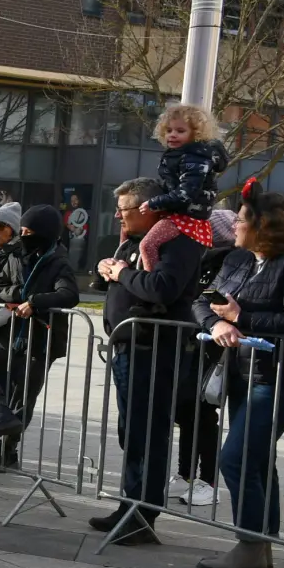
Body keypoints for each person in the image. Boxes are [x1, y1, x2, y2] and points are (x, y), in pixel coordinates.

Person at [89, 177, 204, 546]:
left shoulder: (176, 241)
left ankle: (142, 514)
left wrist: (121, 273)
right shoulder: (135, 242)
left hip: (156, 350)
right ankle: (130, 505)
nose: (118, 216)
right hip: (129, 347)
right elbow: (119, 283)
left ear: (147, 208)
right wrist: (109, 269)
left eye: (123, 209)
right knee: (132, 432)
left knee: (148, 433)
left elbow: (163, 288)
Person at [193, 185, 284, 568]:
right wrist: (217, 321)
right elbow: (202, 297)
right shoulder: (237, 258)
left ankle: (251, 544)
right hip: (240, 372)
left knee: (235, 458)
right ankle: (260, 546)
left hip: (278, 378)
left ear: (263, 224)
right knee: (256, 458)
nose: (234, 224)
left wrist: (242, 318)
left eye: (241, 218)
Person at [0, 205, 80, 472]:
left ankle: (5, 451)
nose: (24, 236)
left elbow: (69, 295)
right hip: (12, 334)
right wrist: (22, 294)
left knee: (23, 397)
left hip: (41, 340)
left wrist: (35, 301)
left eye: (29, 232)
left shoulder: (59, 261)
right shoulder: (17, 254)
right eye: (23, 231)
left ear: (43, 233)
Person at [171, 207, 237, 508]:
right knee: (187, 411)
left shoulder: (228, 261)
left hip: (214, 345)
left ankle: (207, 480)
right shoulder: (205, 259)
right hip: (195, 342)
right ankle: (185, 474)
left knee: (202, 413)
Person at [143, 102, 227, 269]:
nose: (172, 135)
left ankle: (149, 278)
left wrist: (154, 203)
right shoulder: (177, 155)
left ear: (195, 134)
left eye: (180, 131)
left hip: (187, 215)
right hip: (181, 211)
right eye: (169, 130)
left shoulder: (194, 157)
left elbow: (186, 192)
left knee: (147, 245)